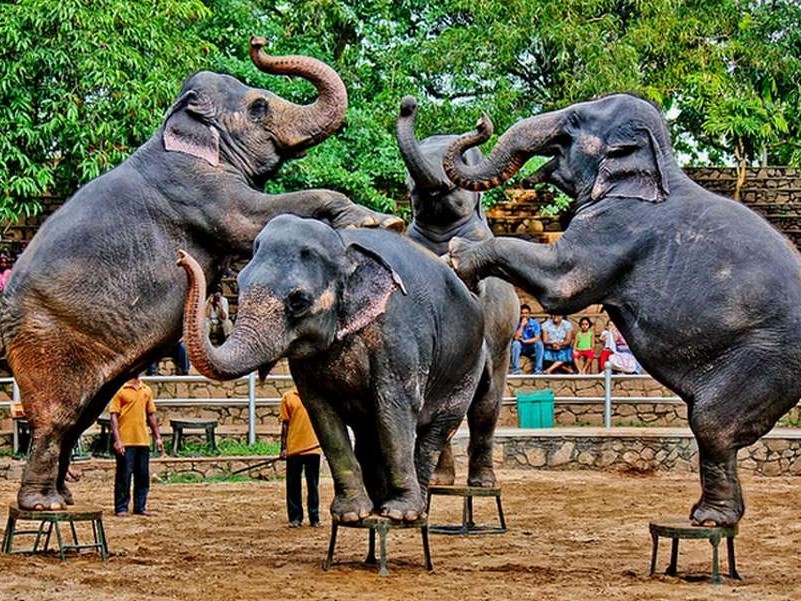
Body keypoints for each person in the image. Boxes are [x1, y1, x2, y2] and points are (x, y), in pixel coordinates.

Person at [110, 375, 163, 517]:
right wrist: (118, 440)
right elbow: (114, 416)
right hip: (126, 439)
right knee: (124, 475)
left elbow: (151, 415)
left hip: (142, 439)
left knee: (142, 476)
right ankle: (121, 507)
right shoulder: (120, 390)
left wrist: (157, 437)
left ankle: (140, 505)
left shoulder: (146, 390)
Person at [280, 388, 322, 528]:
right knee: (293, 485)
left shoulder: (315, 394)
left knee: (313, 485)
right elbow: (285, 424)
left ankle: (314, 517)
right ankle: (295, 517)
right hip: (294, 448)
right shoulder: (288, 396)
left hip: (313, 448)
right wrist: (283, 448)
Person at [510, 304, 544, 374]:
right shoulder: (516, 323)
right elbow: (516, 338)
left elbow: (537, 338)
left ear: (529, 314)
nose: (524, 315)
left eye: (526, 313)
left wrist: (526, 341)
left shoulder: (534, 323)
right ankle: (515, 370)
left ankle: (538, 370)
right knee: (516, 344)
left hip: (530, 346)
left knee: (539, 344)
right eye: (522, 313)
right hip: (520, 346)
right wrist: (522, 326)